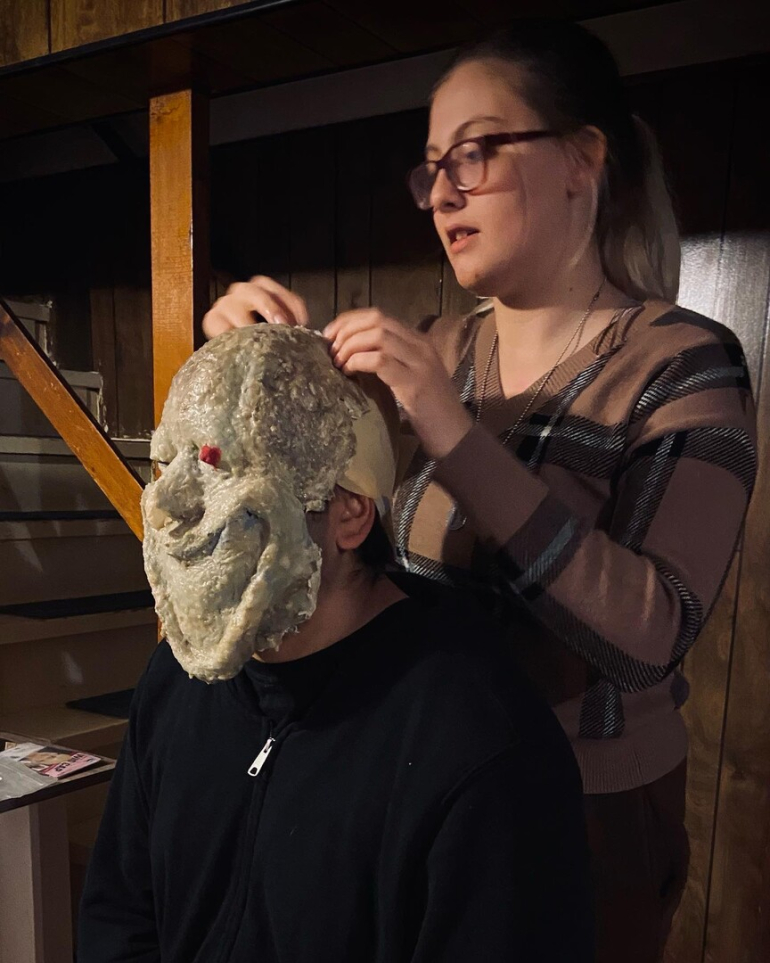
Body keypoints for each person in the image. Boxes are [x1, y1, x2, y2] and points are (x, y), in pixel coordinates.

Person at [201, 18, 758, 962]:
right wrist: (245, 357)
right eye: (431, 169)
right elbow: (312, 518)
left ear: (582, 159)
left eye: (476, 153)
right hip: (415, 774)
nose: (443, 193)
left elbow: (650, 634)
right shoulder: (436, 350)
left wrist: (455, 435)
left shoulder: (685, 363)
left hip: (584, 814)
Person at [78, 324, 593, 962]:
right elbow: (119, 917)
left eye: (218, 463)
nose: (167, 504)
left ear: (350, 513)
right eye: (167, 460)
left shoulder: (480, 742)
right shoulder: (177, 678)